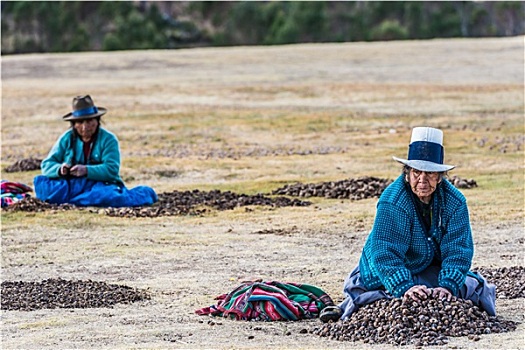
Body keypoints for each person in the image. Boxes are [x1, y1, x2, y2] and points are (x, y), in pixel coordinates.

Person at [320, 126, 496, 322]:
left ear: (439, 177)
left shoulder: (455, 201)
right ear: (407, 173)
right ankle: (349, 306)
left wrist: (447, 286)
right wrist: (404, 286)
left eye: (429, 173)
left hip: (429, 267)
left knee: (474, 288)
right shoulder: (393, 201)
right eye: (416, 172)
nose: (422, 180)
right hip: (386, 268)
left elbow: (458, 249)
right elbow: (383, 251)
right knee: (394, 295)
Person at [34, 95, 158, 207]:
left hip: (99, 184)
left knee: (108, 197)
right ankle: (79, 199)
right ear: (74, 124)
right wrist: (60, 169)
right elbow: (47, 165)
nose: (84, 127)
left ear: (97, 121)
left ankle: (145, 193)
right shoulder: (67, 138)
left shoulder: (108, 140)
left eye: (89, 121)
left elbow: (111, 170)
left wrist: (86, 170)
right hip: (71, 184)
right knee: (42, 186)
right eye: (80, 122)